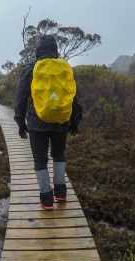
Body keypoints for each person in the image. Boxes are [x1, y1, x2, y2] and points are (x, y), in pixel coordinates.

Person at [14, 35, 83, 210]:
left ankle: (46, 199)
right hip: (61, 122)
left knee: (40, 160)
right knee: (59, 155)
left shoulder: (31, 69)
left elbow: (20, 97)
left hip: (37, 123)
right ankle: (60, 193)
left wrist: (20, 122)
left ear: (39, 49)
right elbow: (73, 97)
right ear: (55, 49)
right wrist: (74, 121)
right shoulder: (64, 68)